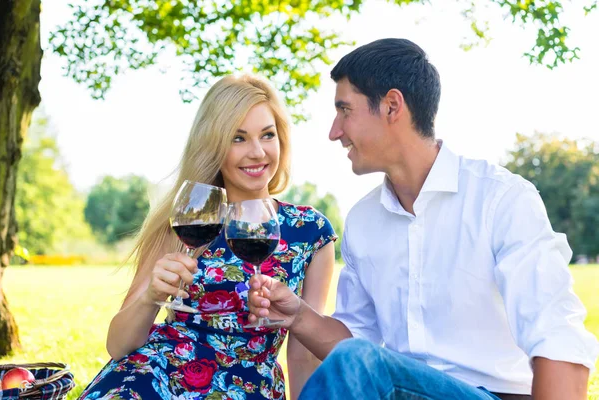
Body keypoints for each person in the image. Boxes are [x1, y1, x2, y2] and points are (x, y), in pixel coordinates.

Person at [247, 38, 599, 400]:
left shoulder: (501, 200)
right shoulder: (364, 221)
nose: (334, 131)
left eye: (345, 110)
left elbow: (558, 338)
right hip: (403, 391)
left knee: (358, 361)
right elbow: (354, 343)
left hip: (495, 395)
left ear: (391, 106)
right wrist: (298, 315)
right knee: (355, 359)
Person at [79, 75, 337, 400]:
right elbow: (118, 346)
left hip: (249, 385)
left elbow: (303, 353)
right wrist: (150, 299)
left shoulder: (309, 230)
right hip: (159, 373)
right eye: (238, 138)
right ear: (214, 145)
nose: (257, 152)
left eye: (267, 135)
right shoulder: (187, 219)